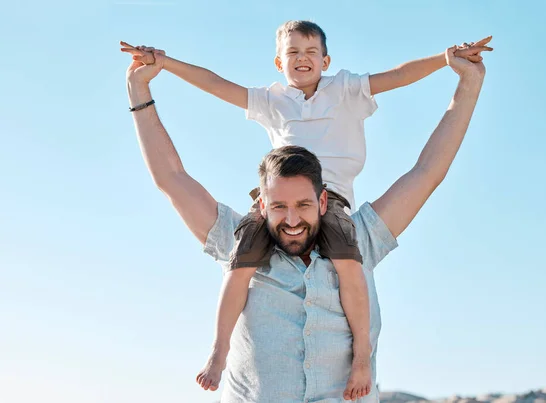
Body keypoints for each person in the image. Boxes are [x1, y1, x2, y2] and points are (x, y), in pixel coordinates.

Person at [121, 21, 492, 398]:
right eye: (279, 206)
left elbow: (427, 171)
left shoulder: (357, 233)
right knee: (240, 265)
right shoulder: (240, 236)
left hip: (340, 211)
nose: (293, 220)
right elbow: (171, 174)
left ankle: (361, 355)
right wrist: (143, 85)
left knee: (352, 270)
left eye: (303, 205)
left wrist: (465, 79)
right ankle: (218, 352)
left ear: (322, 201)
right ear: (262, 204)